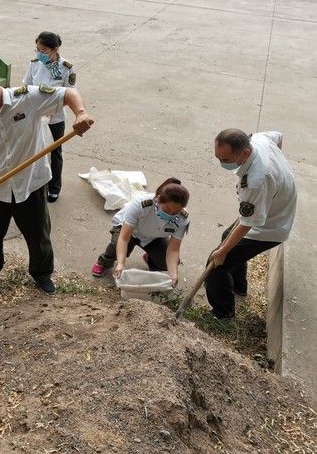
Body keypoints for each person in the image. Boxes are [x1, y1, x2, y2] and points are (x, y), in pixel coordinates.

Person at [0, 64, 93, 295]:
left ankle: (42, 273)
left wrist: (80, 113)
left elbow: (68, 93)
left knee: (38, 235)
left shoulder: (28, 98)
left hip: (31, 183)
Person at [205, 129, 297, 319]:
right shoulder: (258, 139)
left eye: (226, 160)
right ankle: (239, 286)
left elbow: (248, 224)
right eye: (218, 158)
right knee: (226, 238)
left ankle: (223, 315)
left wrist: (222, 252)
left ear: (245, 153)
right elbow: (279, 135)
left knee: (215, 265)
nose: (221, 164)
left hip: (271, 227)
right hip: (271, 207)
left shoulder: (256, 181)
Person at [91, 178, 191, 287]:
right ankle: (103, 262)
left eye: (176, 211)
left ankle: (150, 260)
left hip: (155, 236)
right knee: (116, 247)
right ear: (158, 200)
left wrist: (173, 274)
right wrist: (121, 264)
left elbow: (173, 250)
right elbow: (123, 239)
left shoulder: (183, 218)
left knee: (166, 261)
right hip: (130, 230)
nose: (171, 214)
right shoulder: (140, 204)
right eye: (166, 210)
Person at [23, 31, 77, 203]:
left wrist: (53, 109)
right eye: (37, 49)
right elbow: (27, 87)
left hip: (55, 118)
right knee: (33, 149)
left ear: (55, 49)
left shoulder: (66, 68)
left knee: (54, 152)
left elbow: (70, 94)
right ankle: (35, 183)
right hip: (35, 115)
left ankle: (54, 187)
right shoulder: (34, 64)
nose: (40, 54)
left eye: (44, 51)